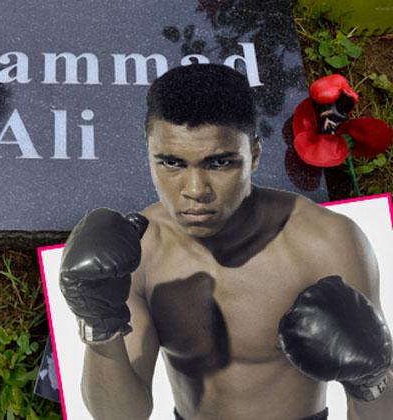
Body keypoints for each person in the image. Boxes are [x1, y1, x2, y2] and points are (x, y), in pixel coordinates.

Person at [59, 64, 393, 419]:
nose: (195, 191)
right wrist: (98, 323)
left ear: (255, 155)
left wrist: (372, 378)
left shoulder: (326, 242)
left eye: (219, 163)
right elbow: (120, 416)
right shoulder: (141, 249)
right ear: (149, 157)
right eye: (171, 163)